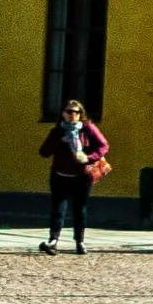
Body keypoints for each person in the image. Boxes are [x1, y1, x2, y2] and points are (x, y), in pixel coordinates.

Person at [39, 98, 110, 254]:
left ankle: (80, 242)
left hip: (81, 177)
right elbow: (44, 152)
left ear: (80, 114)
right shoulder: (57, 131)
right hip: (60, 175)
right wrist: (60, 141)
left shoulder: (88, 128)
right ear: (63, 114)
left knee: (80, 209)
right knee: (58, 209)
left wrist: (88, 158)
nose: (71, 114)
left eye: (75, 112)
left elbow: (104, 146)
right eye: (68, 111)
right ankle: (53, 240)